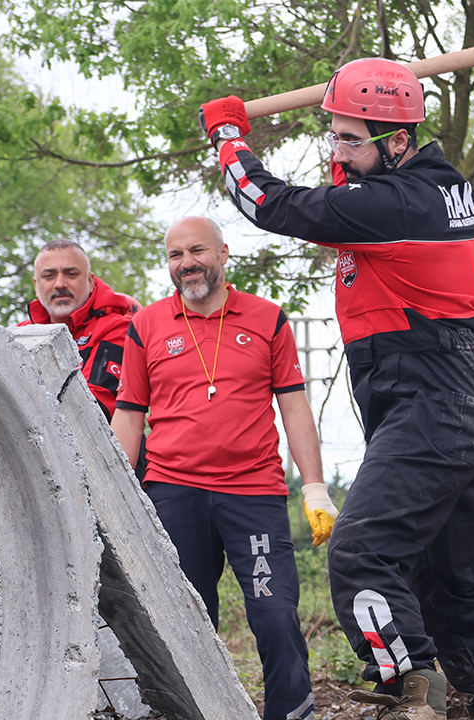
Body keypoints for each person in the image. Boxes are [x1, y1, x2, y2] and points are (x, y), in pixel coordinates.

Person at [198, 58, 474, 720]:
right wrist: (345, 124)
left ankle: (414, 692)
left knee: (361, 552)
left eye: (352, 140)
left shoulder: (397, 203)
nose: (338, 152)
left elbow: (269, 204)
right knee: (448, 584)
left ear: (398, 141)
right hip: (455, 391)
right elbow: (342, 191)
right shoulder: (423, 186)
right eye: (334, 136)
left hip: (435, 395)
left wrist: (230, 139)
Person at [110, 216, 337, 720]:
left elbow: (294, 406)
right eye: (175, 255)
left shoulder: (267, 318)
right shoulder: (146, 324)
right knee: (186, 623)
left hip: (253, 493)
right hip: (172, 492)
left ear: (223, 253)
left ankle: (291, 712)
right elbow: (129, 415)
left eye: (196, 251)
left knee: (275, 614)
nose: (186, 264)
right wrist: (109, 495)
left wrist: (316, 488)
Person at [19, 239, 141, 419]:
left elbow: (92, 411)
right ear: (36, 286)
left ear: (91, 282)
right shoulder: (20, 334)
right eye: (49, 276)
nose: (60, 284)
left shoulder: (118, 328)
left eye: (71, 274)